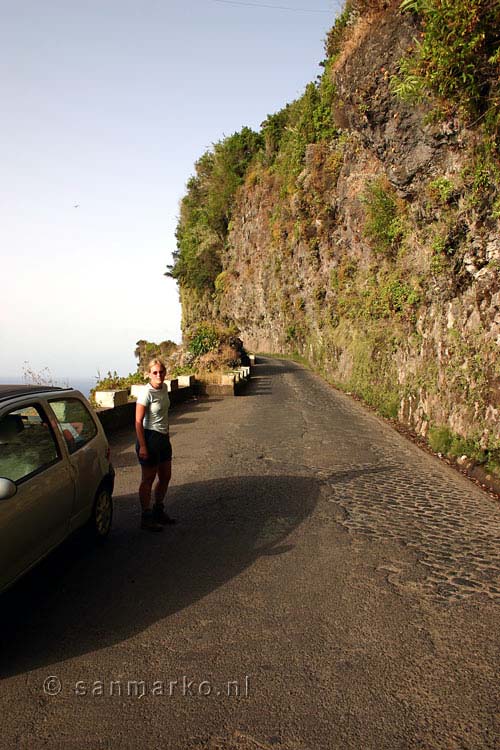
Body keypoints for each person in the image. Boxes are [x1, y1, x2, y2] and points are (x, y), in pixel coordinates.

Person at [135, 358, 175, 531]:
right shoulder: (146, 392)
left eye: (161, 371)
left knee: (165, 476)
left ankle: (159, 509)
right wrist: (143, 446)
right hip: (149, 438)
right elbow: (138, 421)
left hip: (163, 439)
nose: (159, 375)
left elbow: (164, 414)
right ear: (149, 374)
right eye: (155, 372)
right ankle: (146, 516)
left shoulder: (165, 388)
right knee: (148, 479)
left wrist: (166, 433)